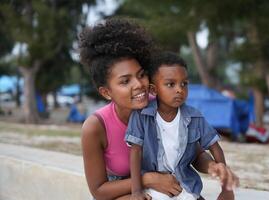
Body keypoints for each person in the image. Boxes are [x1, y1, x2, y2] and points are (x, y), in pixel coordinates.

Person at [78, 17, 238, 200]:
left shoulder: (162, 104)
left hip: (165, 189)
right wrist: (148, 179)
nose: (139, 84)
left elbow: (192, 152)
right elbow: (99, 191)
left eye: (141, 75)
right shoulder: (96, 127)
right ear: (106, 92)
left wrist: (212, 167)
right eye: (125, 81)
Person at [126, 52, 236, 200]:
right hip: (154, 186)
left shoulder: (194, 117)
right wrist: (136, 191)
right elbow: (135, 153)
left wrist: (226, 189)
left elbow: (214, 147)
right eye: (171, 84)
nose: (179, 89)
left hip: (185, 184)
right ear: (153, 90)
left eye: (184, 83)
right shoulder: (141, 116)